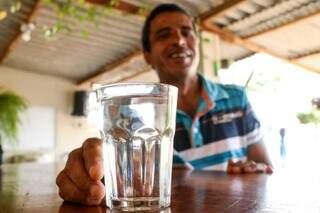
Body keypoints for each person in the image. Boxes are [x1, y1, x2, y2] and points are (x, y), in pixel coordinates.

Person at [56, 3, 273, 205]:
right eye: (163, 34)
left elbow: (266, 168)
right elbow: (126, 177)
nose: (179, 40)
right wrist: (97, 173)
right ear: (147, 55)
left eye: (186, 32)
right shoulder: (131, 116)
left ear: (197, 43)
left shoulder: (237, 98)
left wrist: (254, 170)